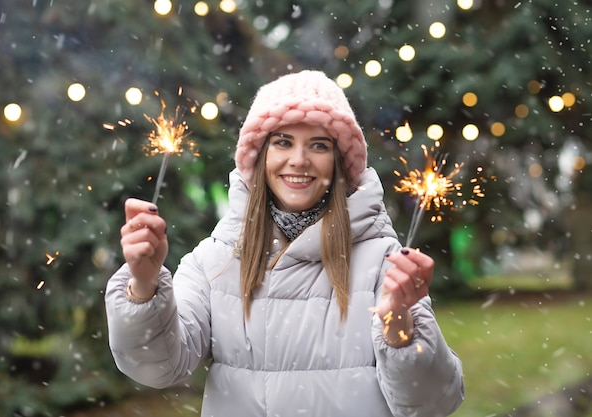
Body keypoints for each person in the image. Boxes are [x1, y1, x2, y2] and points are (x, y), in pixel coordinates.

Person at [105, 70, 465, 417]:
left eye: (319, 145)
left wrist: (397, 325)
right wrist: (144, 287)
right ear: (260, 156)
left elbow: (433, 403)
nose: (299, 160)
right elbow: (157, 367)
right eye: (282, 142)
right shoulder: (215, 260)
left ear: (339, 162)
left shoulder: (383, 262)